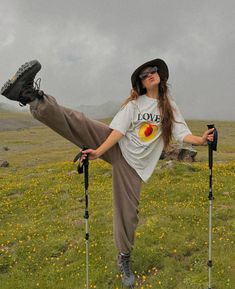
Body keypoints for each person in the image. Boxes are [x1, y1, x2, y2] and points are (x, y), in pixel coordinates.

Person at [1, 58, 214, 288]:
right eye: (144, 74)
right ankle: (29, 95)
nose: (150, 74)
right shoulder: (134, 105)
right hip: (115, 146)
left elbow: (182, 134)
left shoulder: (169, 107)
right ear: (141, 84)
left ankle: (123, 257)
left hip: (133, 167)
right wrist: (98, 152)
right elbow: (118, 132)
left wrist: (202, 140)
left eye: (153, 71)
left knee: (128, 216)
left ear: (160, 76)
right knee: (78, 121)